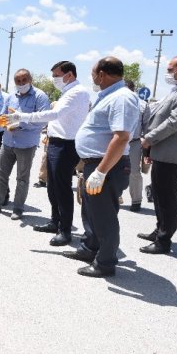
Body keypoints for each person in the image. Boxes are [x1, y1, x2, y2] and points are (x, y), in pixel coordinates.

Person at [0, 61, 90, 246]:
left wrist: (21, 116)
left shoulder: (77, 92)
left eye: (56, 75)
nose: (54, 79)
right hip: (55, 143)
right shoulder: (67, 92)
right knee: (52, 187)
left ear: (69, 75)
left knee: (62, 188)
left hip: (66, 145)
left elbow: (52, 115)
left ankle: (65, 231)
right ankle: (55, 221)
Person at [66, 56, 140, 277]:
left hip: (107, 166)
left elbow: (121, 137)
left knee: (104, 216)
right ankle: (90, 249)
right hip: (95, 164)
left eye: (93, 73)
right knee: (91, 211)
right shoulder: (108, 96)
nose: (92, 78)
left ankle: (105, 263)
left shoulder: (122, 97)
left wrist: (101, 171)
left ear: (102, 74)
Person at [138, 54, 177, 254]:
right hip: (162, 152)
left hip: (172, 154)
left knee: (166, 198)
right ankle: (159, 230)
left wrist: (150, 138)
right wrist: (151, 148)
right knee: (158, 195)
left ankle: (164, 241)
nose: (168, 73)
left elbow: (175, 121)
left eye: (170, 69)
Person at [0, 69, 50, 220]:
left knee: (22, 178)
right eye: (18, 81)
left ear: (30, 79)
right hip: (7, 142)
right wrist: (4, 124)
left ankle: (18, 208)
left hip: (26, 145)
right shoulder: (11, 96)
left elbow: (43, 120)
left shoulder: (40, 96)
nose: (21, 83)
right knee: (1, 175)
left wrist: (20, 125)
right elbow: (2, 115)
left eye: (24, 80)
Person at [125, 79, 151, 212]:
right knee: (110, 170)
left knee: (134, 173)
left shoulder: (143, 105)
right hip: (113, 142)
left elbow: (147, 128)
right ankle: (113, 197)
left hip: (133, 143)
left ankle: (136, 201)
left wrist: (147, 152)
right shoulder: (112, 101)